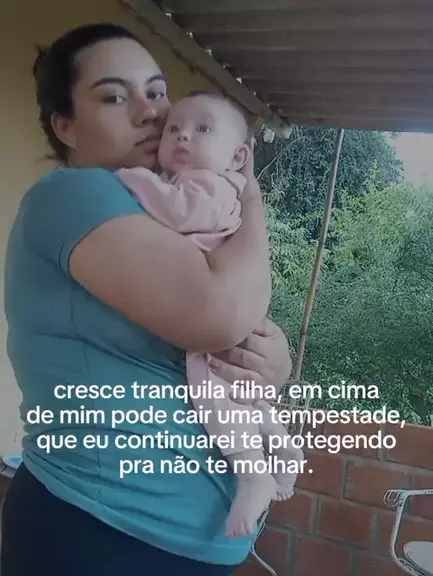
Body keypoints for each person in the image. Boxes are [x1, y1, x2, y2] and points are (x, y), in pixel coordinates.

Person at [0, 23, 294, 576]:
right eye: (114, 97)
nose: (150, 113)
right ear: (65, 126)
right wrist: (249, 192)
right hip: (101, 531)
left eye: (157, 92)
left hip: (175, 539)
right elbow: (220, 313)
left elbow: (231, 321)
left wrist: (268, 364)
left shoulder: (159, 212)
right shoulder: (76, 192)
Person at [116, 90, 302, 538]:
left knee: (211, 388)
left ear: (239, 157)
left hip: (217, 315)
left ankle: (252, 472)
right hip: (229, 307)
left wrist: (132, 178)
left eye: (202, 129)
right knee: (238, 389)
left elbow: (179, 213)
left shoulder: (210, 185)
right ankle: (279, 443)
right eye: (174, 129)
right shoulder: (208, 183)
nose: (183, 136)